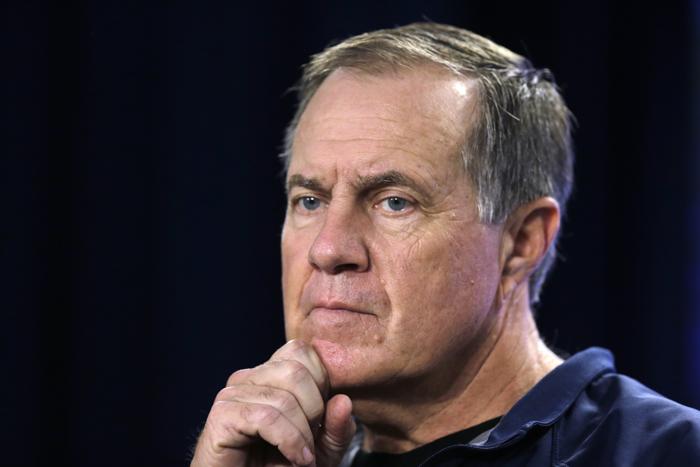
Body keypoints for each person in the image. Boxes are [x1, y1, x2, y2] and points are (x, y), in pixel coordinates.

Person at [190, 23, 700, 466]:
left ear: (522, 241)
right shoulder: (267, 453)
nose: (328, 249)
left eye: (394, 202)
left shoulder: (670, 453)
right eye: (309, 200)